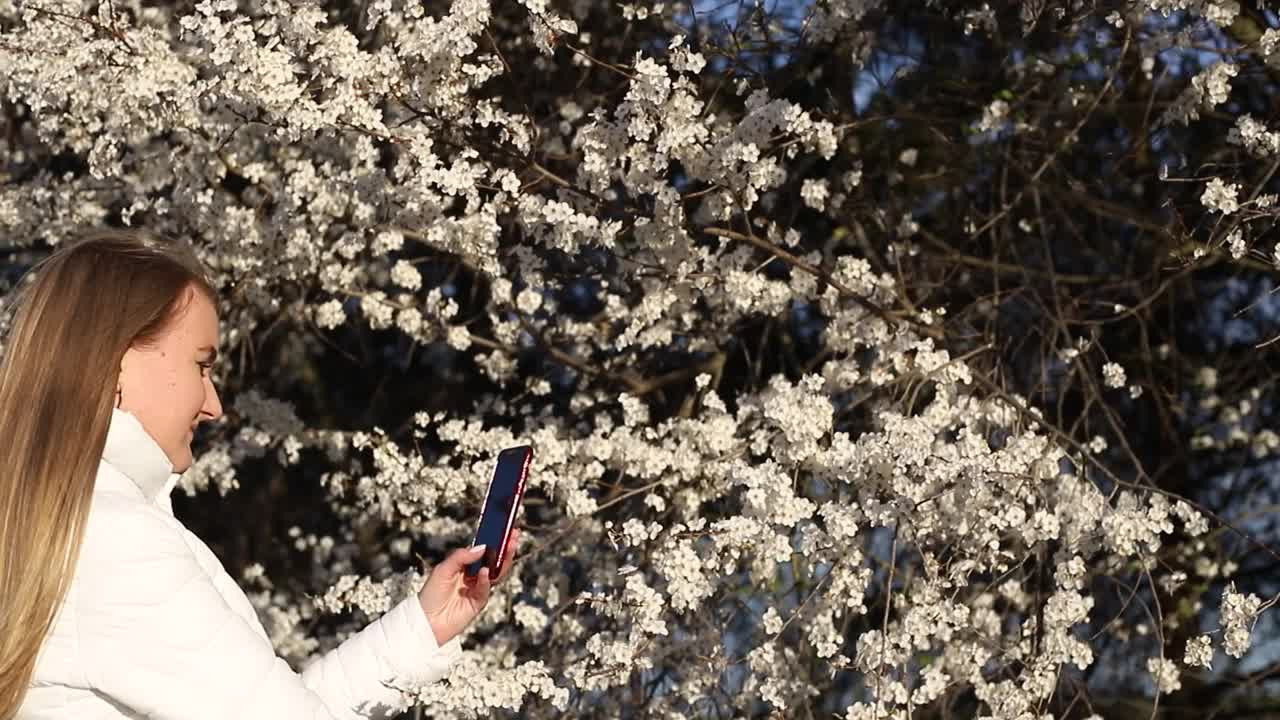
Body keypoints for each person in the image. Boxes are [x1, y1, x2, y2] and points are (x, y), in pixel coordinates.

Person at [0, 231, 517, 719]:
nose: (214, 405)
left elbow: (270, 704)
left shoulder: (65, 526)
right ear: (117, 361)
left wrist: (420, 631)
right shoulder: (116, 539)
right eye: (202, 365)